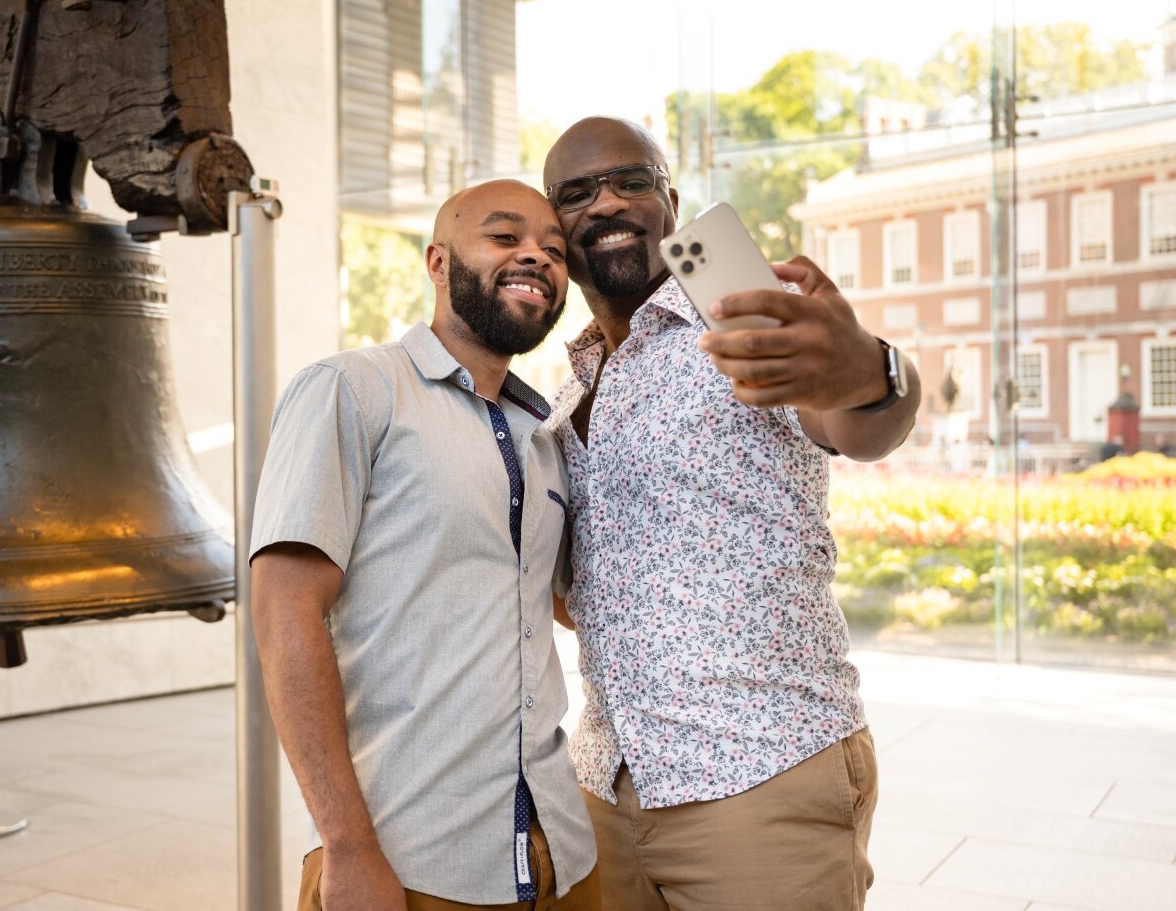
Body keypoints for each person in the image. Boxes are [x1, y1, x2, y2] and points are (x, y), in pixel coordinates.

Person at [541, 116, 921, 911]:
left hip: (760, 775)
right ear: (558, 230)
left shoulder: (747, 320)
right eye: (577, 194)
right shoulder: (568, 390)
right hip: (606, 785)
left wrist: (874, 372)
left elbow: (858, 421)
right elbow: (587, 593)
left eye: (631, 181)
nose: (605, 202)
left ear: (672, 203)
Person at [250, 178, 600, 911]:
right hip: (407, 858)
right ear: (438, 262)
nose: (536, 256)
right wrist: (346, 845)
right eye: (504, 237)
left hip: (562, 854)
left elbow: (565, 607)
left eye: (554, 249)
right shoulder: (351, 390)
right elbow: (284, 615)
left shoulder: (546, 436)